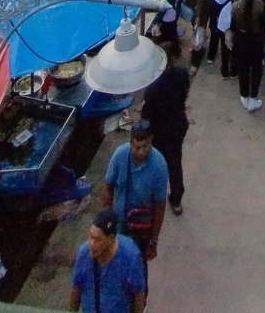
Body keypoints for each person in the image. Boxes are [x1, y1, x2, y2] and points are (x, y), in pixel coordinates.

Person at [101, 121, 168, 277]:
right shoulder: (119, 155)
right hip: (118, 225)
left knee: (137, 272)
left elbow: (160, 206)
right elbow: (108, 186)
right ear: (130, 142)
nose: (141, 152)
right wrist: (107, 220)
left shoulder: (159, 166)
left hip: (141, 230)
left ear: (151, 140)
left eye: (145, 146)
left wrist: (153, 240)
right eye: (137, 147)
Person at [141, 40, 190, 216]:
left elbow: (147, 113)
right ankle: (176, 199)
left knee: (154, 163)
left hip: (159, 130)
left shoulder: (153, 85)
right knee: (175, 161)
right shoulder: (182, 74)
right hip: (178, 125)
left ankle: (152, 198)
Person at [70, 207, 146, 313]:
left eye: (97, 239)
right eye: (90, 237)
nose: (91, 244)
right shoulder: (83, 253)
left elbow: (138, 294)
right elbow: (76, 288)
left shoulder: (130, 258)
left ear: (110, 239)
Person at [231, 0, 265, 111]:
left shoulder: (235, 6)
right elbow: (264, 24)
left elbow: (233, 26)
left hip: (241, 40)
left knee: (243, 69)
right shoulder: (260, 5)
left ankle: (244, 96)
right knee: (256, 69)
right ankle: (253, 98)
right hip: (256, 40)